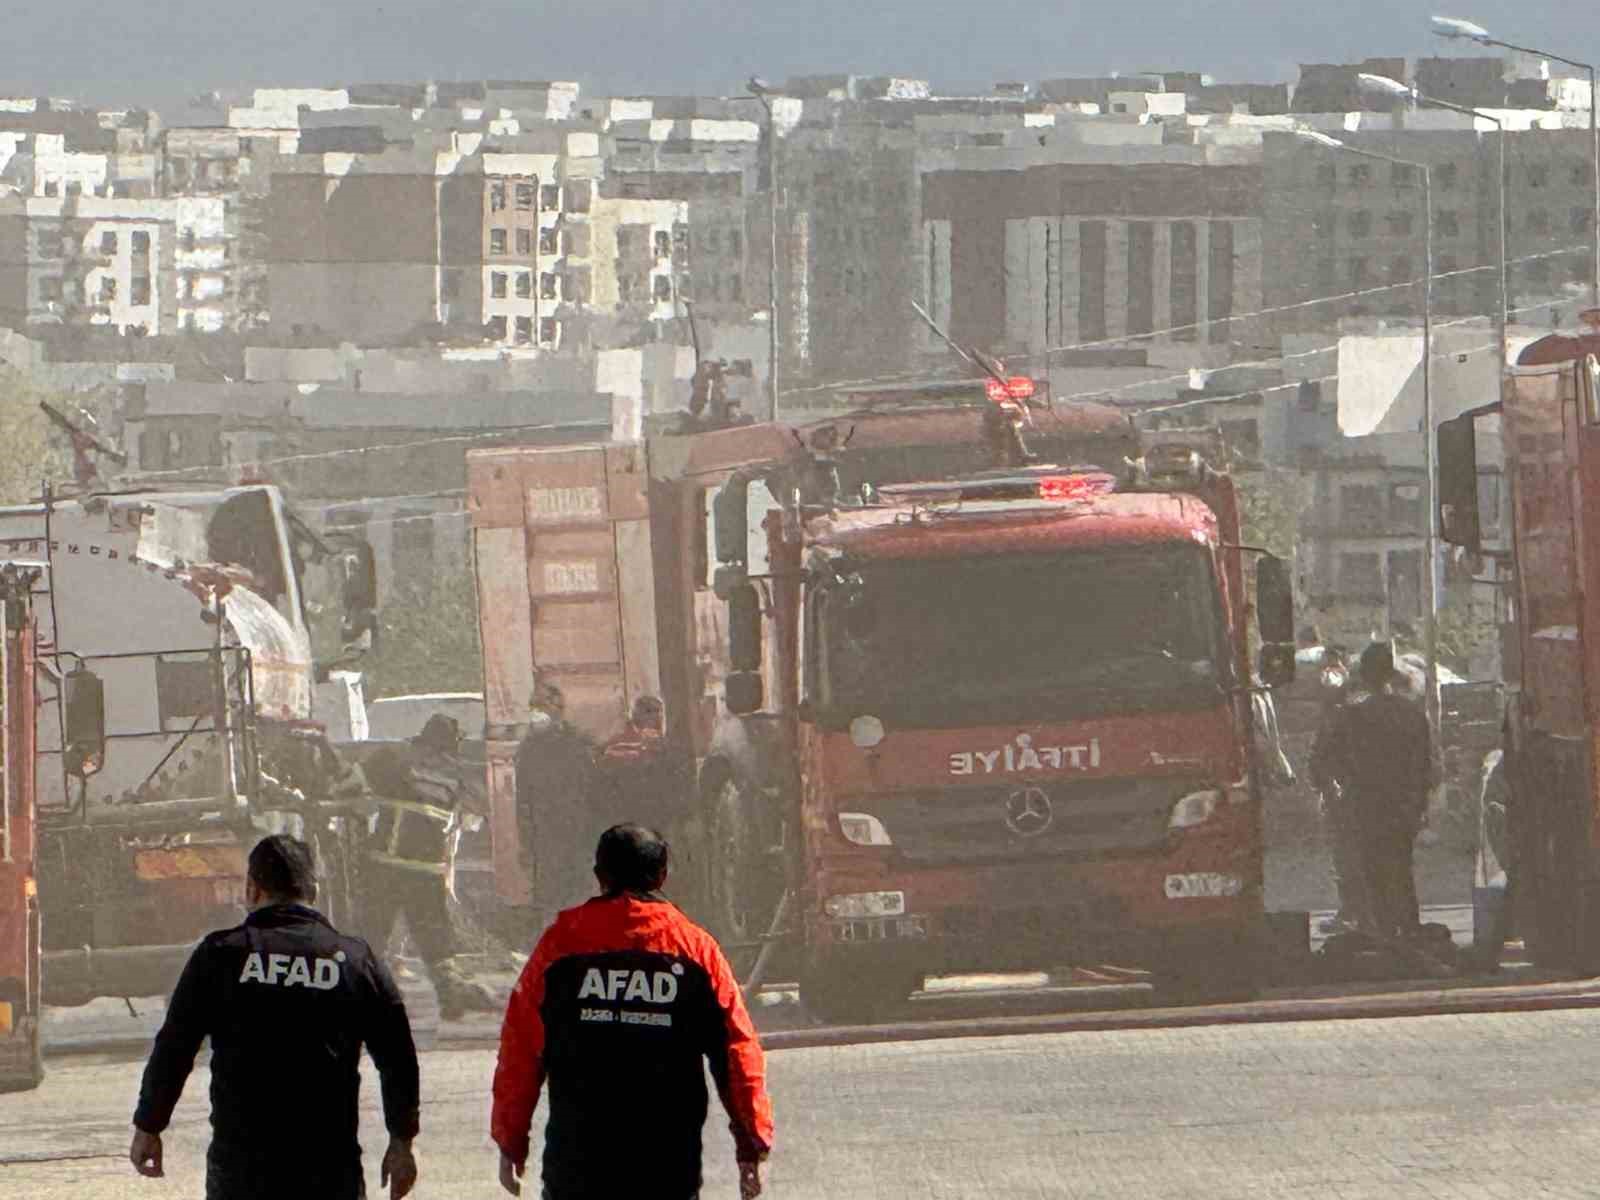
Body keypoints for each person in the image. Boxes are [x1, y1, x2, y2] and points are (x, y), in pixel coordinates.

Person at [491, 824, 774, 1200]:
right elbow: (736, 1053)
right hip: (668, 1169)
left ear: (599, 877)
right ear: (662, 876)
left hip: (576, 1168)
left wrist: (511, 1141)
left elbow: (520, 1049)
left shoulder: (559, 947)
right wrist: (751, 1148)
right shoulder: (696, 950)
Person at [129, 835, 420, 1200]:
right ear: (313, 891)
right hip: (329, 1170)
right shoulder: (354, 961)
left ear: (252, 890)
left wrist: (149, 1125)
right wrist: (401, 1141)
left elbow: (175, 1047)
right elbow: (398, 1058)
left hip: (242, 1170)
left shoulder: (222, 956)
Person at [360, 714, 497, 1021]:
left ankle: (360, 999)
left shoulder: (391, 756)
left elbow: (353, 785)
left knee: (373, 933)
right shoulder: (455, 770)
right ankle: (451, 999)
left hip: (385, 863)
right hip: (425, 869)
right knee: (434, 937)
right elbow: (479, 808)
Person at [1311, 641, 1436, 940]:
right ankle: (1408, 934)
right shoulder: (1412, 715)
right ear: (1392, 676)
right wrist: (1418, 805)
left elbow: (1320, 763)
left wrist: (1335, 794)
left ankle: (1384, 937)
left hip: (1365, 806)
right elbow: (1425, 769)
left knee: (1373, 875)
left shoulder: (1351, 716)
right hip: (1402, 808)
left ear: (1364, 676)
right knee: (1402, 871)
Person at [514, 674, 600, 918]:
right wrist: (527, 840)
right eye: (534, 707)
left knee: (575, 891)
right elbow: (524, 799)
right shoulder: (530, 747)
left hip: (574, 831)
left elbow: (592, 790)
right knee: (551, 895)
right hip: (547, 833)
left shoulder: (577, 744)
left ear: (557, 710)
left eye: (541, 707)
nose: (536, 713)